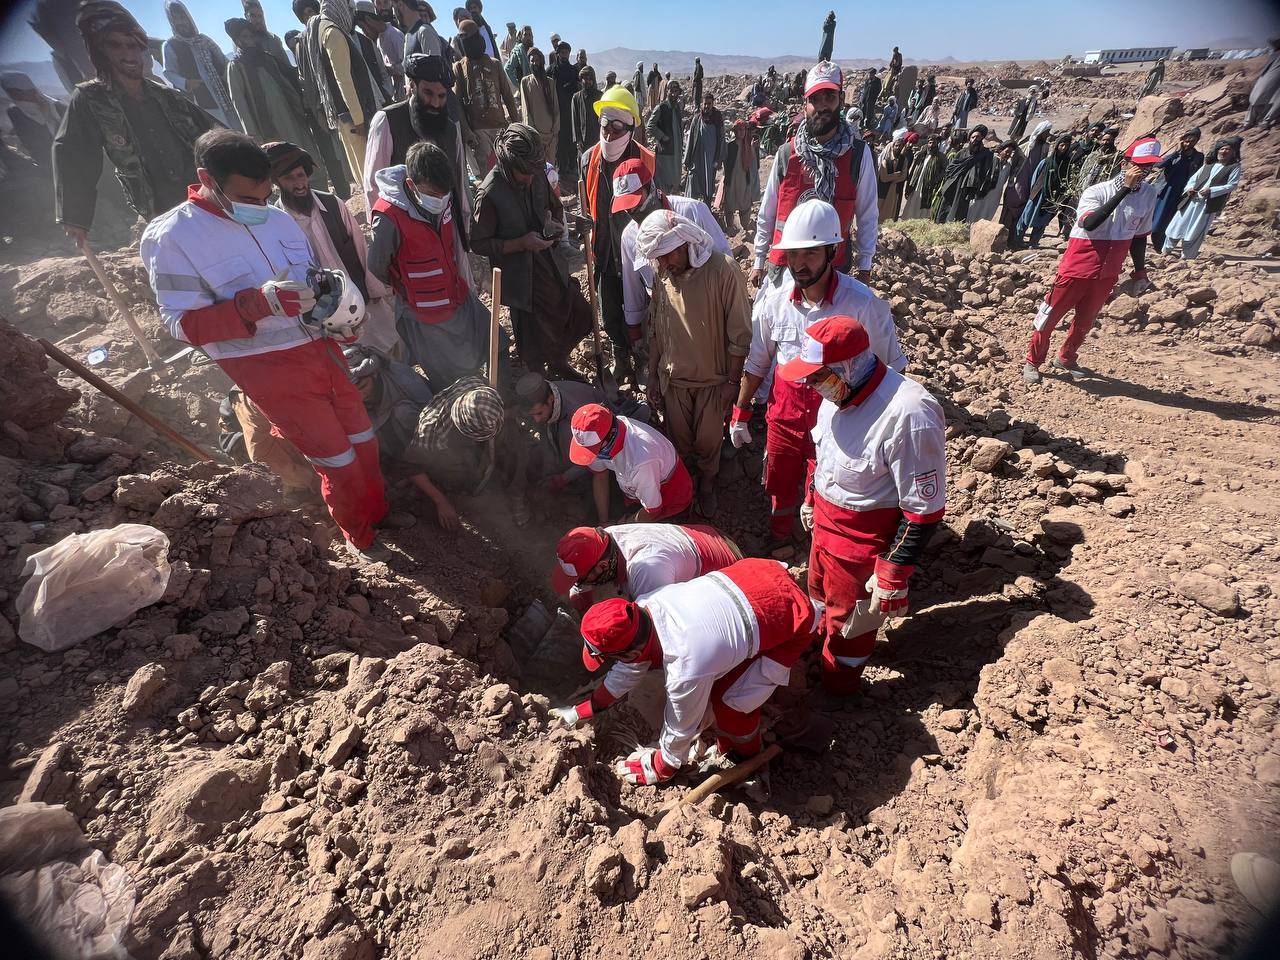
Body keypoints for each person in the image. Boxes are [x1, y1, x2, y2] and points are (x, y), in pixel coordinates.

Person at [141, 130, 390, 559]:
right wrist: (255, 304)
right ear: (208, 178)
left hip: (323, 352)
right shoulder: (173, 238)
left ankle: (379, 513)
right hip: (270, 370)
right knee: (338, 461)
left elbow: (314, 283)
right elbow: (180, 324)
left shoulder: (277, 220)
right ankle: (360, 536)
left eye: (264, 194)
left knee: (365, 441)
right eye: (247, 198)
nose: (259, 207)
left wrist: (339, 320)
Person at [778, 316, 945, 696]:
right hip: (824, 527)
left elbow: (924, 509)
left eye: (818, 376)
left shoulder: (909, 414)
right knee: (817, 600)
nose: (810, 385)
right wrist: (809, 498)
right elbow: (822, 454)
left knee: (851, 626)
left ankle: (839, 689)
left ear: (850, 366)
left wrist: (893, 573)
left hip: (862, 542)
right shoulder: (834, 396)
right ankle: (816, 657)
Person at [733, 199, 907, 550]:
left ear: (833, 251)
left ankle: (819, 551)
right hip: (783, 416)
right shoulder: (775, 302)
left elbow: (892, 369)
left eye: (810, 254)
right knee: (779, 484)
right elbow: (758, 362)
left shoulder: (861, 305)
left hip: (838, 421)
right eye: (793, 255)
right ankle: (779, 537)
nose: (799, 264)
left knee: (825, 494)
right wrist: (741, 410)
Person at [551, 558, 818, 787]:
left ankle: (744, 757)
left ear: (631, 652)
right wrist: (583, 710)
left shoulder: (685, 666)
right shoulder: (645, 607)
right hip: (756, 574)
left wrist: (661, 766)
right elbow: (629, 668)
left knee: (730, 705)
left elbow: (680, 730)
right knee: (715, 679)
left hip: (791, 614)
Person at [55, 3, 218, 244]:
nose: (128, 54)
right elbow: (73, 155)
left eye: (133, 46)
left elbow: (215, 135)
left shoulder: (167, 96)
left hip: (203, 197)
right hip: (159, 208)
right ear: (99, 51)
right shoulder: (92, 100)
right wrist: (75, 216)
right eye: (115, 45)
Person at [632, 210, 751, 517]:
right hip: (675, 381)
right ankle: (686, 489)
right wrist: (653, 375)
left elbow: (739, 334)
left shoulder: (723, 270)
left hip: (714, 382)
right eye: (658, 259)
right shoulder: (663, 276)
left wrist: (732, 384)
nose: (663, 265)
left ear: (684, 242)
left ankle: (708, 486)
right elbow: (657, 327)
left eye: (667, 256)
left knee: (709, 444)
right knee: (679, 445)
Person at [1022, 137, 1163, 384]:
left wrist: (1140, 272)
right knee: (1050, 316)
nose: (1143, 171)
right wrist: (1123, 191)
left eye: (1149, 166)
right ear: (1124, 164)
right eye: (1139, 165)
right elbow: (1089, 223)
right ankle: (1033, 361)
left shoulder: (1149, 195)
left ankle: (1066, 357)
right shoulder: (1097, 192)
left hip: (1108, 270)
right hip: (1078, 267)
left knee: (1086, 320)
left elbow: (1140, 236)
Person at [369, 140, 493, 388]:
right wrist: (409, 284)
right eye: (433, 194)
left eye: (443, 193)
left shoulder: (443, 197)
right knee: (446, 375)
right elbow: (378, 266)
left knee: (493, 341)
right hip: (423, 311)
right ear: (411, 185)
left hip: (455, 294)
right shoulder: (388, 217)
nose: (440, 199)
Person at [472, 124, 592, 377]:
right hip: (521, 279)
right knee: (533, 338)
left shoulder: (535, 172)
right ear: (507, 164)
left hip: (550, 263)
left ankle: (559, 362)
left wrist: (555, 221)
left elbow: (554, 206)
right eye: (523, 173)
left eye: (533, 172)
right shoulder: (490, 193)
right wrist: (520, 243)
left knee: (577, 313)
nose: (529, 178)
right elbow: (479, 243)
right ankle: (538, 385)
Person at [753, 62, 879, 288]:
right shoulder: (787, 154)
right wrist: (759, 259)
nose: (822, 107)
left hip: (833, 271)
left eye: (829, 98)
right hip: (785, 270)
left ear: (840, 101)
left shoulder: (858, 155)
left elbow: (867, 215)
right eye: (815, 99)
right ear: (805, 106)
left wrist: (865, 266)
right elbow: (768, 211)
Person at [267, 141, 398, 354]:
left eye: (301, 176)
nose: (299, 184)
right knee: (353, 361)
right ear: (277, 183)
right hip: (322, 311)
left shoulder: (333, 204)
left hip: (360, 295)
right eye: (289, 178)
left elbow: (360, 247)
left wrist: (374, 288)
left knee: (388, 346)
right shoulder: (278, 222)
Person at [580, 84, 654, 383]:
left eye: (617, 127)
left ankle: (643, 359)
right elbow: (586, 202)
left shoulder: (645, 159)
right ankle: (620, 356)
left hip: (637, 252)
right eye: (604, 126)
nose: (609, 134)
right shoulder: (589, 159)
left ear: (631, 128)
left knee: (640, 309)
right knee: (610, 309)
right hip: (604, 250)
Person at [612, 158, 730, 346]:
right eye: (625, 206)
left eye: (635, 201)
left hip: (707, 310)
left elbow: (725, 262)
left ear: (650, 188)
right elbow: (633, 288)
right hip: (665, 318)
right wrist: (635, 333)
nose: (632, 210)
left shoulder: (692, 211)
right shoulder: (629, 236)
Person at [362, 54, 469, 230]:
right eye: (428, 93)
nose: (435, 103)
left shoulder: (450, 128)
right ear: (412, 85)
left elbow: (458, 181)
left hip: (445, 223)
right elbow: (373, 185)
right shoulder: (387, 121)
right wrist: (383, 230)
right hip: (405, 228)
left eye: (442, 96)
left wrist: (463, 226)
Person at [552, 520, 742, 613]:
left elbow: (657, 630)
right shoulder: (601, 540)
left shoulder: (646, 570)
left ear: (602, 566)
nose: (577, 583)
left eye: (579, 578)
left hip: (728, 572)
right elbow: (581, 589)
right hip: (705, 537)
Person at [301, 0, 386, 188]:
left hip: (346, 115)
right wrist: (359, 120)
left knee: (364, 171)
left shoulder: (322, 29)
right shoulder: (332, 32)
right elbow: (343, 81)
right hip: (354, 118)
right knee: (370, 173)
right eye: (348, 8)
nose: (351, 13)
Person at [225, 19, 324, 175]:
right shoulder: (236, 66)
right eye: (245, 37)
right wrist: (252, 134)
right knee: (285, 165)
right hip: (269, 127)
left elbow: (287, 86)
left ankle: (319, 192)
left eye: (252, 36)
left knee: (308, 157)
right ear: (237, 41)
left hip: (294, 118)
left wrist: (301, 107)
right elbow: (240, 103)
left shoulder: (268, 59)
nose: (251, 40)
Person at [570, 404, 693, 524]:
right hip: (634, 491)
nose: (591, 454)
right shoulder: (602, 433)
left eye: (594, 449)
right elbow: (600, 477)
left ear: (611, 437)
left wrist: (623, 527)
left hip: (669, 499)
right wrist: (604, 521)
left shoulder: (641, 460)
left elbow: (652, 510)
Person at [516, 372, 605, 496]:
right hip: (566, 436)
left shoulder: (578, 415)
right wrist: (548, 471)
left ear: (551, 399)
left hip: (599, 445)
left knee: (566, 434)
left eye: (539, 413)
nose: (536, 419)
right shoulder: (545, 394)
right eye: (533, 415)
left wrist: (564, 478)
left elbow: (595, 455)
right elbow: (544, 435)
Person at [453, 20, 518, 179]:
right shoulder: (460, 68)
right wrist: (467, 131)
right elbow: (458, 104)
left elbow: (508, 96)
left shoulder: (494, 64)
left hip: (500, 128)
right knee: (488, 177)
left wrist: (515, 126)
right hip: (478, 132)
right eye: (465, 40)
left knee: (508, 171)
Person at [162, 1, 239, 131]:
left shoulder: (204, 40)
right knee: (223, 135)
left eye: (182, 17)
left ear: (188, 18)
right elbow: (168, 72)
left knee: (241, 131)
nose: (181, 22)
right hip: (204, 101)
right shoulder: (171, 45)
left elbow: (224, 62)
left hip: (226, 96)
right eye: (175, 19)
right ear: (171, 22)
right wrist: (186, 83)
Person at [1162, 137, 1243, 261]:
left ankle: (1187, 257)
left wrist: (1211, 191)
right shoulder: (1209, 165)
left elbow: (1232, 185)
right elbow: (1193, 179)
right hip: (1192, 200)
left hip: (1207, 204)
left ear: (1233, 152)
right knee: (1177, 225)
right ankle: (1166, 251)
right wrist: (1189, 188)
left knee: (1195, 230)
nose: (1224, 152)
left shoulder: (1234, 167)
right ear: (1217, 151)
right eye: (1222, 149)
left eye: (1227, 149)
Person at [1015, 133, 1077, 247]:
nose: (1063, 148)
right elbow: (1035, 177)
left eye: (1066, 146)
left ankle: (1033, 243)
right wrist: (1034, 192)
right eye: (1061, 145)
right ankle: (1017, 240)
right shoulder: (1046, 162)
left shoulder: (1067, 164)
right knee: (1026, 217)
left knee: (1042, 222)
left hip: (1053, 198)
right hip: (1038, 195)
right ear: (1057, 145)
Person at [1151, 128, 1203, 251]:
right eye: (1186, 141)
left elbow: (1198, 175)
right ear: (1182, 141)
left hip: (1179, 193)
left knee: (1168, 219)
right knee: (1154, 216)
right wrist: (1176, 152)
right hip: (1164, 189)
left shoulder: (1198, 157)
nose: (1189, 144)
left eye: (1192, 141)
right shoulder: (1175, 154)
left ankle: (1160, 245)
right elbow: (1159, 165)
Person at [1001, 120, 1052, 242]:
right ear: (1040, 132)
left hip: (1032, 183)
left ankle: (1015, 238)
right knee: (1011, 206)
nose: (1048, 135)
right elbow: (1013, 164)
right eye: (1046, 132)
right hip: (1018, 181)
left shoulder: (1045, 147)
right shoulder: (1025, 146)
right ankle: (1003, 236)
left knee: (1023, 209)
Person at [932, 125, 993, 223]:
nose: (975, 139)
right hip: (953, 185)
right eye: (973, 137)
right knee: (945, 208)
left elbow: (985, 172)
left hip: (966, 189)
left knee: (959, 211)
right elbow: (951, 168)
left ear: (982, 138)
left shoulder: (985, 154)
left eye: (978, 137)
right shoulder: (962, 152)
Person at [1, 72, 63, 170]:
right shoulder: (16, 113)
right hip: (46, 161)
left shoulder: (55, 106)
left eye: (20, 91)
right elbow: (29, 141)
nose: (17, 95)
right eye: (13, 92)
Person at [721, 116, 761, 235]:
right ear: (735, 131)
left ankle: (745, 228)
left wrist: (754, 148)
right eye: (739, 130)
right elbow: (725, 162)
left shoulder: (748, 146)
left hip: (744, 180)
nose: (741, 132)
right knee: (729, 204)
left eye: (743, 130)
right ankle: (730, 228)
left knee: (745, 204)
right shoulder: (730, 146)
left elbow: (753, 164)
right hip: (732, 180)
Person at [353, 2, 401, 102]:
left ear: (369, 20)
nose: (364, 33)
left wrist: (390, 69)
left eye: (363, 28)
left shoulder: (394, 34)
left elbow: (406, 66)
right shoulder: (379, 40)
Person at [519, 48, 560, 164]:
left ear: (541, 61)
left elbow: (556, 108)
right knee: (537, 167)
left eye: (537, 60)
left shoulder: (550, 82)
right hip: (535, 135)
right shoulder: (525, 82)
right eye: (532, 61)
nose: (534, 63)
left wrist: (554, 132)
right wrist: (531, 133)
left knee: (551, 167)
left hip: (551, 135)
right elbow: (526, 110)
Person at [548, 41, 581, 182]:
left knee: (572, 140)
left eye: (567, 53)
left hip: (571, 112)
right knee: (560, 142)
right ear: (558, 53)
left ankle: (573, 167)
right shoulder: (551, 71)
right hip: (557, 112)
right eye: (562, 53)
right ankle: (561, 169)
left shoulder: (573, 71)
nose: (565, 55)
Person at [683, 93, 724, 205]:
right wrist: (687, 160)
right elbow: (690, 139)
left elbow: (721, 139)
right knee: (693, 181)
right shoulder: (697, 119)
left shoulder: (717, 119)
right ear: (702, 104)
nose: (706, 106)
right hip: (696, 158)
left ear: (713, 104)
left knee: (708, 185)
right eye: (705, 104)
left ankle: (706, 208)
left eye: (709, 104)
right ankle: (691, 206)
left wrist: (719, 159)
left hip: (710, 159)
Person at [646, 81, 684, 192]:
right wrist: (662, 137)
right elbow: (650, 125)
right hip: (665, 151)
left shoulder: (677, 107)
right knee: (663, 182)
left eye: (676, 91)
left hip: (676, 150)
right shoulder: (661, 108)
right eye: (671, 91)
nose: (673, 94)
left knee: (675, 179)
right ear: (666, 91)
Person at [900, 132, 946, 221]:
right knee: (911, 205)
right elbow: (913, 169)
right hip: (916, 185)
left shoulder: (941, 157)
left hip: (928, 188)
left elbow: (945, 170)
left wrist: (936, 179)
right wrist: (908, 186)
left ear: (937, 144)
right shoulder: (921, 155)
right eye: (930, 142)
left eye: (934, 143)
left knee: (923, 210)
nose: (931, 145)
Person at [968, 139, 1014, 223]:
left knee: (986, 216)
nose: (1008, 154)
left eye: (1010, 153)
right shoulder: (991, 160)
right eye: (1006, 151)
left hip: (994, 196)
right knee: (974, 213)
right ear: (1000, 150)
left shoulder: (1008, 166)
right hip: (982, 192)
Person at [1243, 38, 1280, 130]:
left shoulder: (1274, 54)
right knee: (1272, 98)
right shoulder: (1275, 55)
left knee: (1263, 98)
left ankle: (1253, 122)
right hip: (1271, 79)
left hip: (1266, 80)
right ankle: (1262, 121)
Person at [876, 129, 911, 221]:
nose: (898, 148)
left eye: (901, 146)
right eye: (897, 146)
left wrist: (891, 179)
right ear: (892, 146)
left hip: (894, 191)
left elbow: (903, 176)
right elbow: (883, 178)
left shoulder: (904, 160)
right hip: (882, 190)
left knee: (889, 213)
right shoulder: (885, 161)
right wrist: (895, 175)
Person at [1076, 126, 1121, 193]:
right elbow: (1083, 173)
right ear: (1100, 141)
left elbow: (1115, 176)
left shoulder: (1116, 158)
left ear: (1113, 141)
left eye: (1108, 140)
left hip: (1103, 191)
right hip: (1087, 189)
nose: (1105, 142)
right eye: (1104, 140)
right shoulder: (1093, 155)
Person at [571, 67, 602, 157]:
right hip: (583, 141)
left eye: (590, 79)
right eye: (585, 79)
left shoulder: (600, 96)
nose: (588, 81)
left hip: (597, 138)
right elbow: (575, 120)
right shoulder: (576, 97)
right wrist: (578, 140)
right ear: (581, 79)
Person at [503, 24, 532, 89]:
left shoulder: (532, 51)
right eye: (525, 35)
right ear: (521, 36)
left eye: (529, 35)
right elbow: (508, 69)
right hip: (526, 89)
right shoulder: (518, 51)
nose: (528, 37)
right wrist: (520, 86)